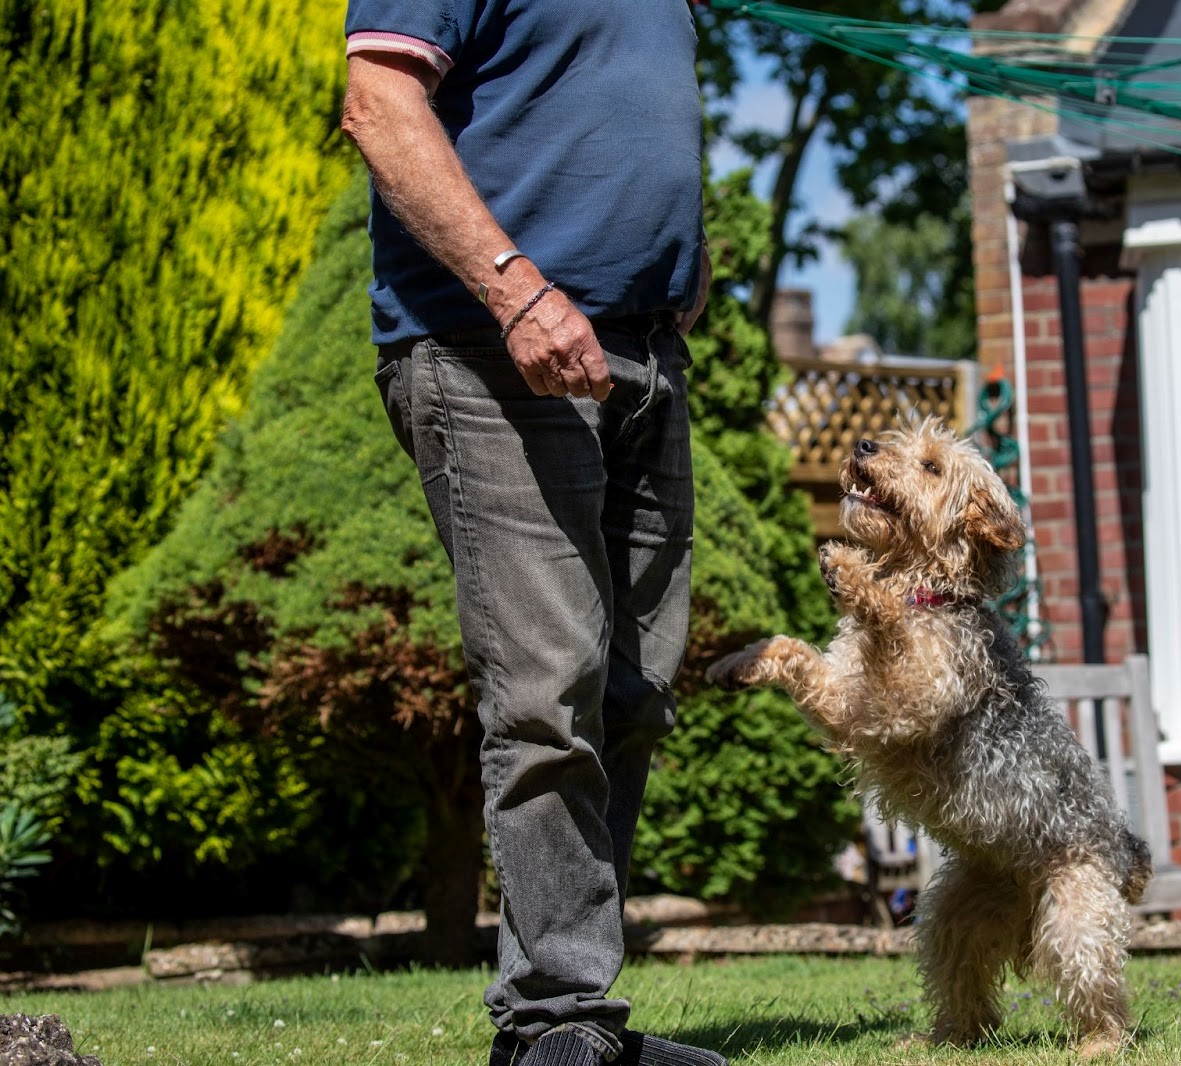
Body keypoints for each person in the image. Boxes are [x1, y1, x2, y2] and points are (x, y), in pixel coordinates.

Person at [339, 3, 719, 1065]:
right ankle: (554, 1020)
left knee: (631, 699)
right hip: (493, 350)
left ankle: (572, 1017)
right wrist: (515, 289)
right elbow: (378, 100)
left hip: (642, 357)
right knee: (548, 691)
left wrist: (684, 256)